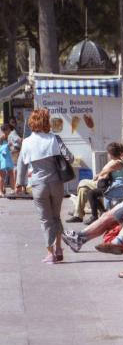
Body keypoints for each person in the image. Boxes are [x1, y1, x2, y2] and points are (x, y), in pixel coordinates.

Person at [15, 109, 74, 264]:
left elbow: (21, 164)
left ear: (31, 123)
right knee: (56, 217)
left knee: (45, 219)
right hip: (56, 183)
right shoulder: (55, 138)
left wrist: (19, 184)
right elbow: (70, 158)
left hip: (38, 184)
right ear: (47, 122)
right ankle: (59, 248)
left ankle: (50, 253)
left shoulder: (27, 142)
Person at [66, 142, 123, 224]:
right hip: (109, 184)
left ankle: (81, 213)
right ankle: (78, 214)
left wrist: (99, 175)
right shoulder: (119, 161)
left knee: (82, 182)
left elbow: (104, 171)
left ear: (110, 153)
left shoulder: (116, 162)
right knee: (83, 190)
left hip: (112, 186)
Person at [0, 124, 14, 196]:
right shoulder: (1, 138)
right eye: (8, 129)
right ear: (4, 130)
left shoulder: (10, 137)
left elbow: (12, 148)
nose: (10, 131)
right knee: (2, 175)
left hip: (8, 156)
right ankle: (1, 191)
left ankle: (12, 189)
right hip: (2, 157)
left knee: (11, 173)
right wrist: (6, 146)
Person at [8, 117, 22, 186]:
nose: (14, 124)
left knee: (14, 169)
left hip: (13, 152)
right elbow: (19, 140)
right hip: (15, 152)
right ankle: (15, 186)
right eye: (12, 122)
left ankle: (14, 186)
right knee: (15, 169)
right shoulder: (13, 132)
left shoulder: (13, 131)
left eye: (14, 122)